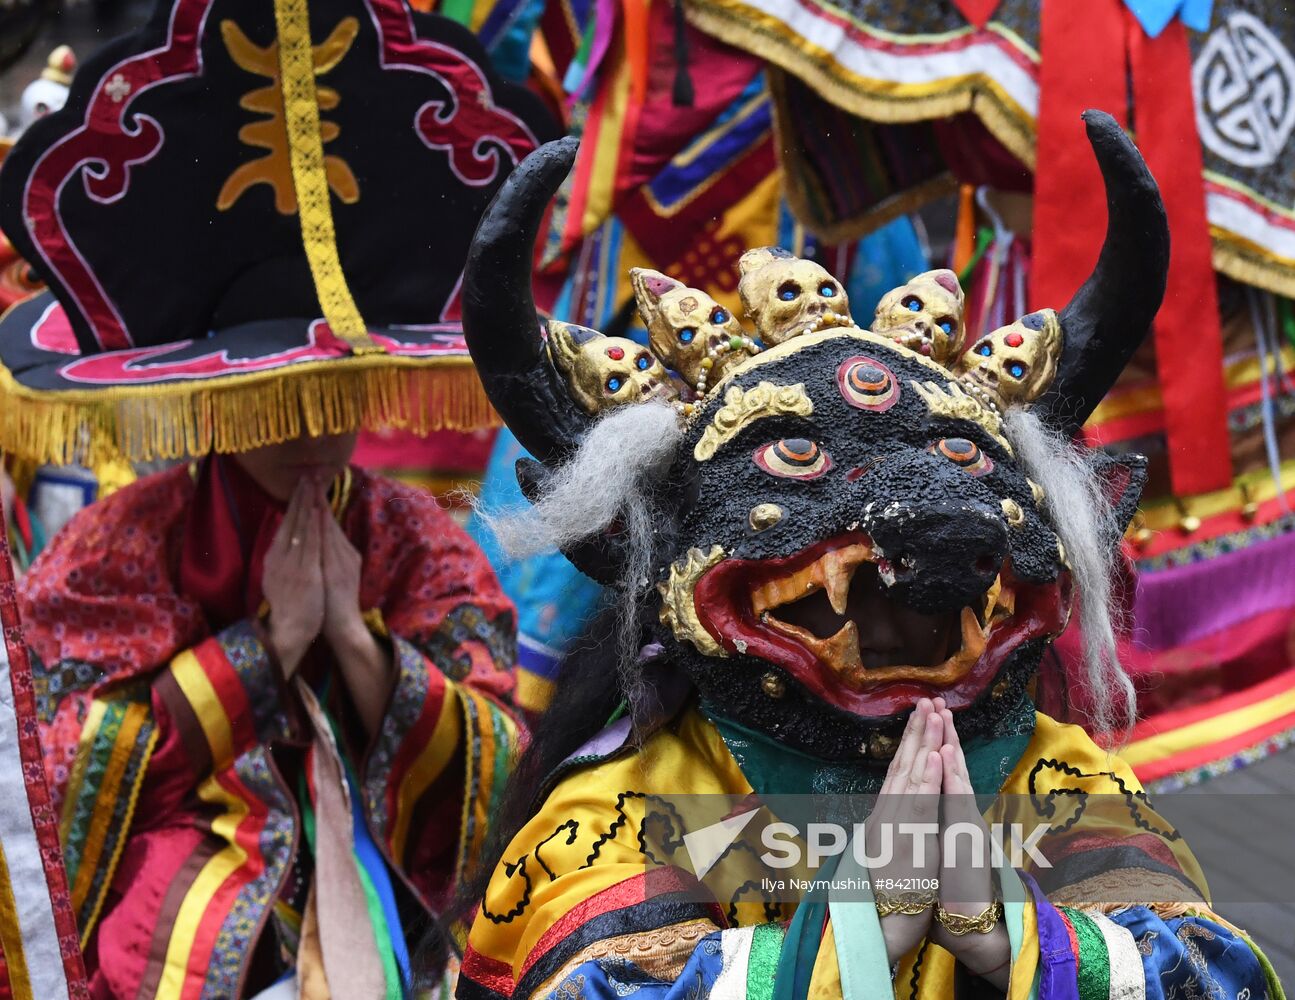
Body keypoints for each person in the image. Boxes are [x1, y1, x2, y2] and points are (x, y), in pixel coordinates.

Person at [451, 117, 1283, 997]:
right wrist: (854, 938)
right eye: (794, 456)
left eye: (961, 455)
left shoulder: (1057, 776)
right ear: (633, 551)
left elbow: (1213, 973)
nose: (929, 514)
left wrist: (1008, 934)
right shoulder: (632, 805)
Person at [0, 0, 556, 995]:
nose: (315, 426)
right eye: (276, 398)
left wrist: (358, 645)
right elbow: (59, 781)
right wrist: (257, 654)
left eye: (339, 393)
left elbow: (498, 772)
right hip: (180, 905)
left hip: (394, 892)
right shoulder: (121, 541)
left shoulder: (414, 538)